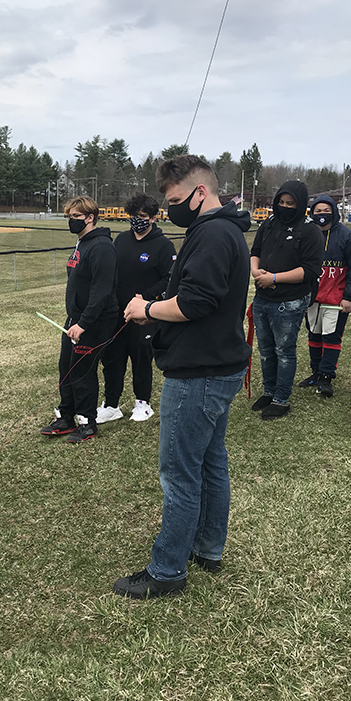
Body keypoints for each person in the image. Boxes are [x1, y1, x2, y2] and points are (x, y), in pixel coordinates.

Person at [112, 155, 251, 599]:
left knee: (180, 474)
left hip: (199, 373)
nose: (170, 209)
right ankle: (208, 547)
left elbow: (195, 302)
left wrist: (146, 310)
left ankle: (167, 570)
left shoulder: (211, 234)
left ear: (200, 193)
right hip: (218, 367)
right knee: (211, 462)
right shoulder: (222, 230)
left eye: (174, 201)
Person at [40, 196, 117, 442]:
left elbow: (101, 291)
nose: (71, 221)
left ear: (90, 217)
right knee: (66, 367)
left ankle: (87, 422)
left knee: (82, 371)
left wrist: (84, 323)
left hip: (94, 322)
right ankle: (66, 416)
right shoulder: (81, 243)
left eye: (76, 217)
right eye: (69, 217)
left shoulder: (101, 247)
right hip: (75, 319)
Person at [97, 192, 176, 424]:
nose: (136, 220)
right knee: (113, 358)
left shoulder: (163, 245)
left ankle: (143, 403)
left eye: (141, 216)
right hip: (117, 312)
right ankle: (111, 404)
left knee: (141, 357)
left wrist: (148, 297)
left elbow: (169, 279)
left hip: (144, 313)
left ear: (153, 218)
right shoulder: (120, 240)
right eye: (132, 215)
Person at [250, 181, 324, 419]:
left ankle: (281, 399)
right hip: (262, 296)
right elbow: (255, 252)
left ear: (301, 205)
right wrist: (256, 272)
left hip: (290, 301)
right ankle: (269, 391)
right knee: (265, 349)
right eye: (281, 202)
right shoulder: (269, 223)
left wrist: (275, 278)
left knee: (284, 350)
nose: (284, 207)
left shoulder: (310, 231)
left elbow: (310, 270)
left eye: (290, 203)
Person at [298, 195, 351, 397]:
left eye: (326, 210)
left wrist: (349, 297)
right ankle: (316, 372)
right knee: (314, 335)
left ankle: (327, 376)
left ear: (334, 211)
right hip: (313, 297)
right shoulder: (307, 234)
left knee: (331, 337)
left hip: (336, 298)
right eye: (318, 211)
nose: (322, 214)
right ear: (312, 213)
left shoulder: (347, 236)